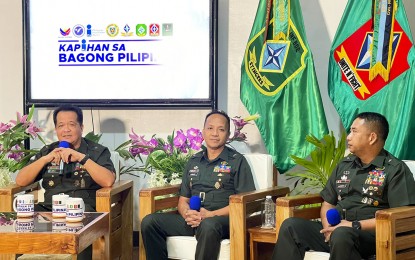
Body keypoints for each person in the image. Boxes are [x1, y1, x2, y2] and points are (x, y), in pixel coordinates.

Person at [272, 112, 415, 260]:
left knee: (342, 234)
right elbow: (328, 203)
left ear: (372, 137)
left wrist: (354, 226)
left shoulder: (395, 169)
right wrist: (329, 228)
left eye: (354, 131)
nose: (348, 137)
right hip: (337, 231)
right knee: (291, 227)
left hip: (373, 237)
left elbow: (402, 215)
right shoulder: (345, 164)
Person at [141, 110, 256, 259]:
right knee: (150, 222)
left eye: (221, 129)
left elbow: (246, 202)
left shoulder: (237, 161)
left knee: (208, 225)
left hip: (221, 221)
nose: (215, 133)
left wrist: (210, 215)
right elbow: (183, 200)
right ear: (203, 132)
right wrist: (187, 214)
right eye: (210, 128)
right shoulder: (193, 161)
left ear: (227, 135)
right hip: (194, 219)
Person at [16, 105, 116, 212]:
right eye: (61, 125)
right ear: (56, 129)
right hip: (50, 209)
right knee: (24, 216)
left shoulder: (97, 151)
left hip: (82, 209)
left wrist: (81, 157)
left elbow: (108, 181)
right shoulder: (48, 151)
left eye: (71, 125)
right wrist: (45, 159)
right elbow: (21, 181)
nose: (66, 130)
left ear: (81, 128)